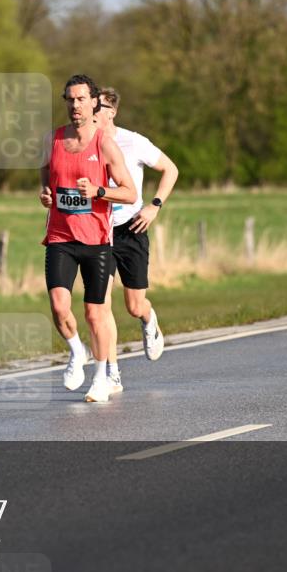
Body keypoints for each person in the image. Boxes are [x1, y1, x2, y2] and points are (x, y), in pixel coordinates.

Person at [39, 74, 137, 403]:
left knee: (96, 314)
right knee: (58, 306)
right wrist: (46, 194)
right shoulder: (53, 141)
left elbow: (130, 192)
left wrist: (98, 191)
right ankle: (75, 352)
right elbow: (46, 175)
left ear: (94, 102)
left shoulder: (103, 144)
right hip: (60, 237)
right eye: (70, 99)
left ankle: (100, 377)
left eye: (81, 99)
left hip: (96, 242)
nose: (75, 105)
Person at [95, 87, 179, 393]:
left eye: (99, 106)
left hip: (131, 229)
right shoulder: (86, 144)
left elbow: (170, 169)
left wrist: (154, 206)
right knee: (99, 306)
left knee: (133, 305)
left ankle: (148, 319)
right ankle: (111, 374)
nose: (92, 111)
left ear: (112, 111)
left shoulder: (134, 142)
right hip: (98, 231)